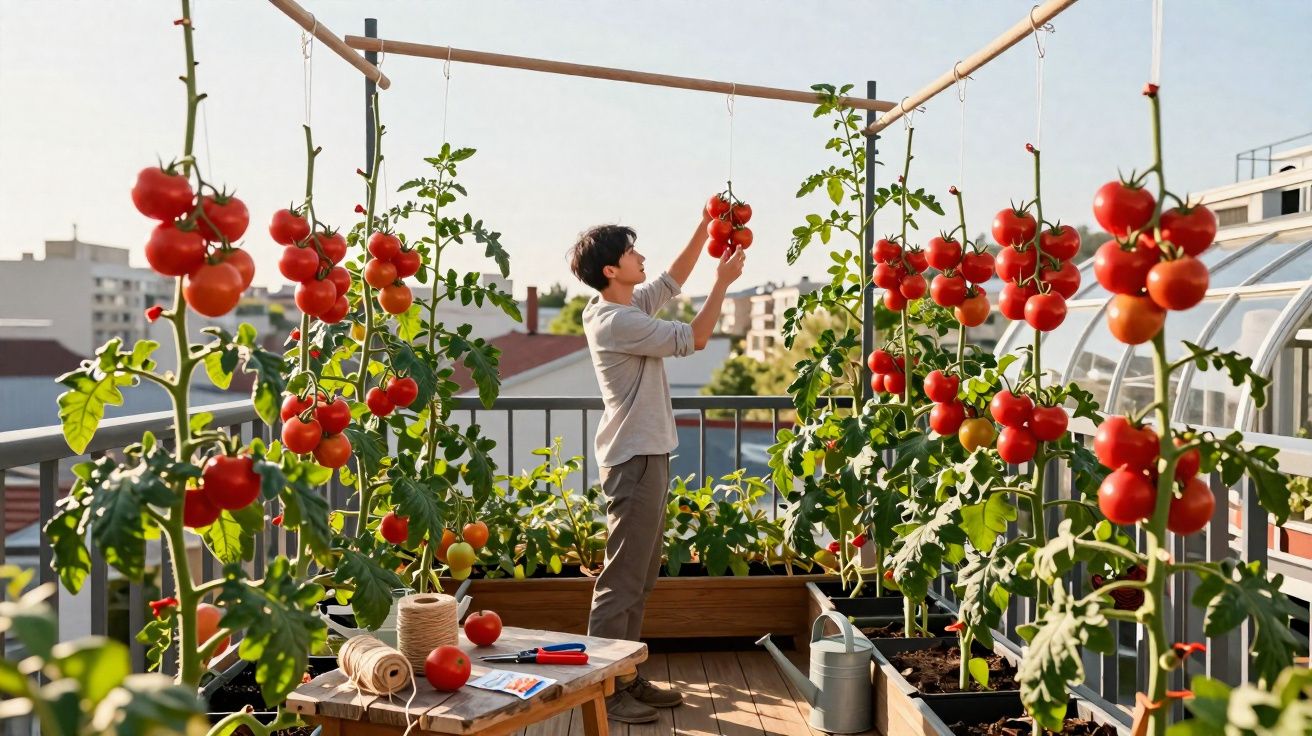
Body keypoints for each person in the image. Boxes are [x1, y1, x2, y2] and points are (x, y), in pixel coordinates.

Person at [567, 210, 746, 724]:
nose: (641, 257)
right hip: (635, 460)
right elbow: (698, 337)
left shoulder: (621, 304)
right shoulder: (617, 320)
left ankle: (623, 673)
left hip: (647, 457)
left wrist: (706, 224)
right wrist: (723, 283)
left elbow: (671, 278)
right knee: (621, 582)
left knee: (639, 579)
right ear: (610, 270)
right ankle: (603, 689)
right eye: (631, 252)